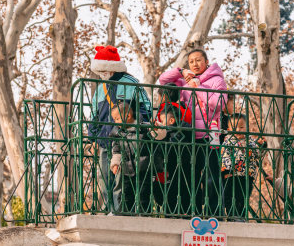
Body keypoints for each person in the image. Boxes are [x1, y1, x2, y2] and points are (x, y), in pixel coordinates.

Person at [158, 49, 227, 215]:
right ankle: (193, 210)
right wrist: (181, 71)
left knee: (211, 176)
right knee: (192, 176)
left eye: (198, 60)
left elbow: (218, 104)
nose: (195, 64)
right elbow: (162, 80)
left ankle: (214, 212)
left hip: (210, 134)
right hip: (189, 136)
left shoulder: (217, 80)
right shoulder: (184, 80)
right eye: (191, 62)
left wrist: (199, 87)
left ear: (206, 61)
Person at [87, 45, 152, 211]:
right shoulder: (100, 87)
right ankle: (111, 210)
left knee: (123, 181)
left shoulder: (131, 83)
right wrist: (93, 137)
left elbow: (146, 108)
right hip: (105, 141)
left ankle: (123, 211)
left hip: (126, 140)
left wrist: (135, 127)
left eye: (103, 69)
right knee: (104, 178)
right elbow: (94, 114)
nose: (102, 73)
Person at [108, 101, 163, 215]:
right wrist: (115, 164)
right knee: (126, 194)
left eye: (117, 118)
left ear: (128, 116)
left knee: (144, 195)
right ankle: (125, 215)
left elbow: (159, 136)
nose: (115, 122)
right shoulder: (117, 133)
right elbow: (117, 150)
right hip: (127, 170)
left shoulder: (144, 128)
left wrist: (157, 129)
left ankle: (144, 216)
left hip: (144, 169)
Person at [220, 113, 267, 219]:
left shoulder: (250, 141)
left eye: (241, 127)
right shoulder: (228, 142)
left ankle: (241, 216)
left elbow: (257, 153)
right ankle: (232, 216)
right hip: (231, 175)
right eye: (234, 127)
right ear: (229, 129)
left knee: (243, 197)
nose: (238, 130)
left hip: (247, 175)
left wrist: (261, 145)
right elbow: (224, 157)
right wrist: (226, 172)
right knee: (230, 196)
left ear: (247, 128)